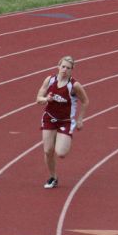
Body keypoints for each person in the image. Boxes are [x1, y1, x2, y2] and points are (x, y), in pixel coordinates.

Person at [35, 55, 89, 189]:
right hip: (49, 118)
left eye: (68, 68)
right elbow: (38, 98)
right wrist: (46, 99)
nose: (65, 70)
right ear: (58, 67)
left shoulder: (74, 85)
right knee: (48, 151)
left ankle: (62, 138)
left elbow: (85, 101)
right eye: (63, 66)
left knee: (61, 153)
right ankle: (53, 177)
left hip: (65, 121)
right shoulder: (50, 80)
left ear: (72, 70)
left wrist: (80, 119)